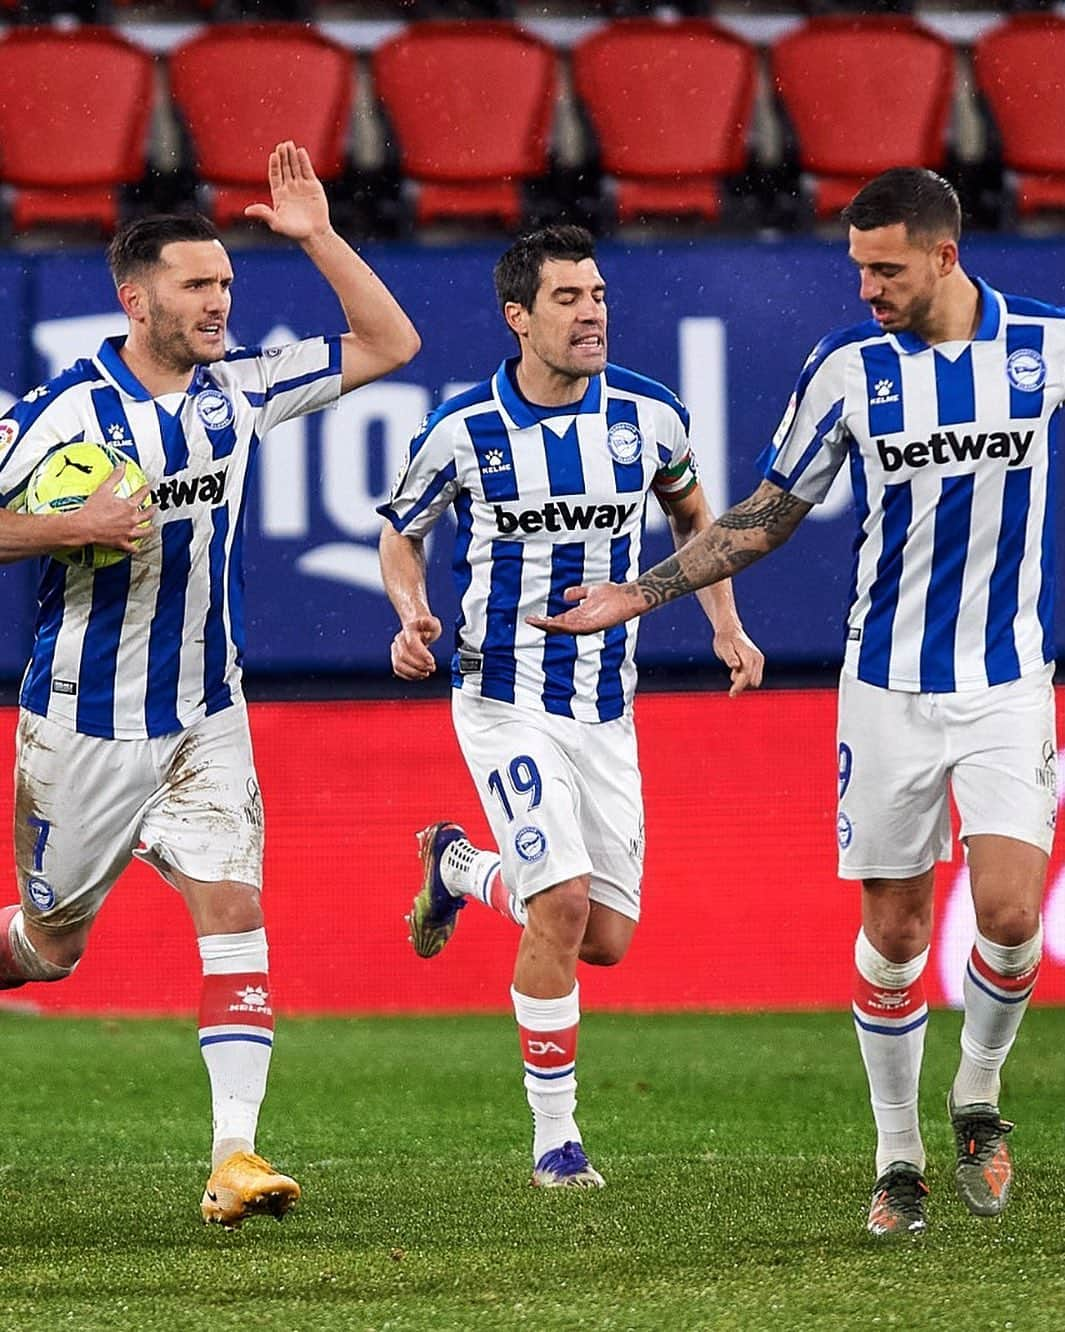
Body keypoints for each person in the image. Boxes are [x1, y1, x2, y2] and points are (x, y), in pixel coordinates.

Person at [529, 168, 1064, 1236]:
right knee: (896, 928)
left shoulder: (1042, 349)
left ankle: (977, 1098)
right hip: (883, 689)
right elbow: (768, 515)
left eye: (886, 268)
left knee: (1009, 914)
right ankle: (897, 1156)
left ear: (945, 256)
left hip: (1008, 678)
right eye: (858, 266)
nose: (866, 286)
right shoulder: (848, 370)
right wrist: (639, 592)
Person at [0, 141, 420, 1229]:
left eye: (228, 281)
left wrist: (317, 235)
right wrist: (71, 527)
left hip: (206, 712)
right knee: (49, 951)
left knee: (235, 908)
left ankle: (234, 1158)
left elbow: (391, 342)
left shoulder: (241, 390)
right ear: (135, 299)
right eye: (198, 284)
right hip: (83, 726)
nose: (221, 300)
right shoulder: (63, 413)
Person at [378, 224, 763, 1188]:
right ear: (517, 316)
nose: (592, 312)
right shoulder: (462, 429)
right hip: (502, 698)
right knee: (560, 899)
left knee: (605, 939)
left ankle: (459, 866)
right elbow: (400, 534)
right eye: (567, 298)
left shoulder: (649, 414)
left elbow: (691, 520)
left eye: (596, 295)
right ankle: (556, 1142)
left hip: (605, 709)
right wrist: (412, 611)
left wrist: (724, 621)